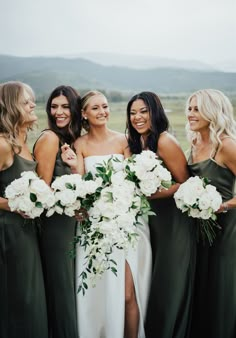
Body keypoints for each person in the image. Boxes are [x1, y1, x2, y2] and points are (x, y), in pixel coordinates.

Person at [62, 90, 152, 338]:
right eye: (95, 108)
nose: (102, 112)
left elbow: (135, 180)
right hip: (94, 227)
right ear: (84, 114)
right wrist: (72, 167)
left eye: (105, 106)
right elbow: (80, 187)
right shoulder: (79, 145)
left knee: (126, 293)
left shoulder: (124, 140)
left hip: (127, 223)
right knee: (98, 290)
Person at [126, 91, 196, 338]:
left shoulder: (165, 141)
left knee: (170, 282)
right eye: (133, 113)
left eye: (143, 111)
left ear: (155, 111)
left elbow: (186, 183)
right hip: (151, 223)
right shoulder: (137, 143)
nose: (137, 117)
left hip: (173, 222)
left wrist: (153, 193)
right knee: (155, 282)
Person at [186, 89, 236, 338]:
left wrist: (223, 205)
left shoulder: (226, 145)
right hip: (200, 228)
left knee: (221, 285)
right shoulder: (195, 142)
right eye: (190, 108)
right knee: (203, 283)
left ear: (213, 111)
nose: (190, 114)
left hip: (227, 227)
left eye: (197, 109)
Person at [0, 81, 48, 338]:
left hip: (28, 232)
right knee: (19, 301)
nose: (33, 104)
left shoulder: (27, 142)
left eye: (32, 99)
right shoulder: (2, 145)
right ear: (10, 107)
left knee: (31, 300)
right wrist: (12, 204)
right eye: (25, 101)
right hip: (8, 235)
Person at [33, 85, 81, 338]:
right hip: (55, 227)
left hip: (70, 224)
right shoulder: (51, 138)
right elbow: (42, 190)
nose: (59, 112)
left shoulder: (69, 139)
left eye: (64, 106)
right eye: (54, 106)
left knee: (70, 287)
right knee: (61, 287)